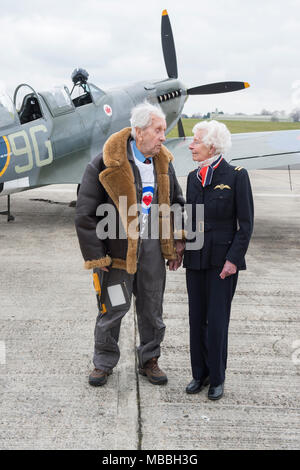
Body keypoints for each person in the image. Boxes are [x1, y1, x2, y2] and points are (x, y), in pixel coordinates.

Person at [75, 101, 185, 387]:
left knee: (151, 308)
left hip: (151, 250)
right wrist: (99, 257)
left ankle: (149, 359)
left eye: (163, 130)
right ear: (139, 132)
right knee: (113, 309)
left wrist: (175, 245)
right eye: (158, 130)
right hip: (118, 255)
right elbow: (86, 214)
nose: (163, 136)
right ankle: (103, 361)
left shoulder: (164, 162)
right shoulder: (104, 163)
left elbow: (176, 204)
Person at [183, 120, 254, 400]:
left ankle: (217, 378)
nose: (191, 145)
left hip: (222, 263)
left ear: (212, 146)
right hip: (196, 259)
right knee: (196, 319)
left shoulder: (236, 175)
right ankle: (199, 374)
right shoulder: (192, 177)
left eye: (196, 141)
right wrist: (179, 249)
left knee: (217, 320)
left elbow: (245, 225)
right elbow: (191, 220)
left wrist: (233, 260)